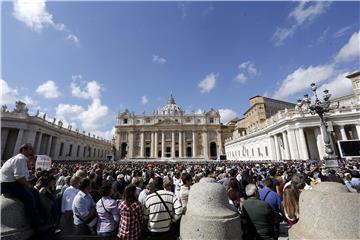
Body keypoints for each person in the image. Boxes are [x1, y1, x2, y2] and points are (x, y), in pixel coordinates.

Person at [0, 144, 50, 233]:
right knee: (29, 198)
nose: (33, 151)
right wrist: (29, 185)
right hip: (8, 185)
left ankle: (44, 217)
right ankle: (38, 225)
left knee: (34, 192)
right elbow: (20, 178)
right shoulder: (20, 159)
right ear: (24, 150)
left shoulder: (22, 159)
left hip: (13, 183)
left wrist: (32, 181)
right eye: (31, 149)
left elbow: (23, 177)